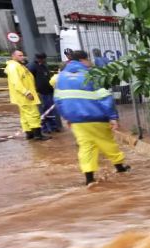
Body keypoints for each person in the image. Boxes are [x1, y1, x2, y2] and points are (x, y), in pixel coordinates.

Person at [54, 50, 130, 187]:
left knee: (86, 147)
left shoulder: (62, 77)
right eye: (88, 60)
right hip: (96, 116)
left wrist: (67, 117)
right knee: (107, 143)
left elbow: (58, 100)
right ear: (83, 60)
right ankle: (120, 168)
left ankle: (89, 178)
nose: (90, 62)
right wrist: (112, 117)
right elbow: (104, 97)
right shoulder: (91, 75)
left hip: (76, 120)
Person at [5, 50, 49, 141]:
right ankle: (38, 135)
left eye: (22, 55)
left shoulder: (19, 66)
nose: (22, 57)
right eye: (20, 55)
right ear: (13, 56)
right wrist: (26, 93)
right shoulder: (14, 67)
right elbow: (16, 82)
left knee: (25, 116)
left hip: (22, 96)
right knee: (34, 115)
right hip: (24, 96)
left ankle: (30, 134)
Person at [26, 53, 62, 134]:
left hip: (48, 91)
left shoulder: (44, 65)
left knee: (50, 110)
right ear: (39, 59)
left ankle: (53, 127)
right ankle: (44, 128)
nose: (44, 60)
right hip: (40, 92)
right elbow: (29, 80)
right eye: (42, 59)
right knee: (42, 111)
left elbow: (47, 77)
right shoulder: (32, 66)